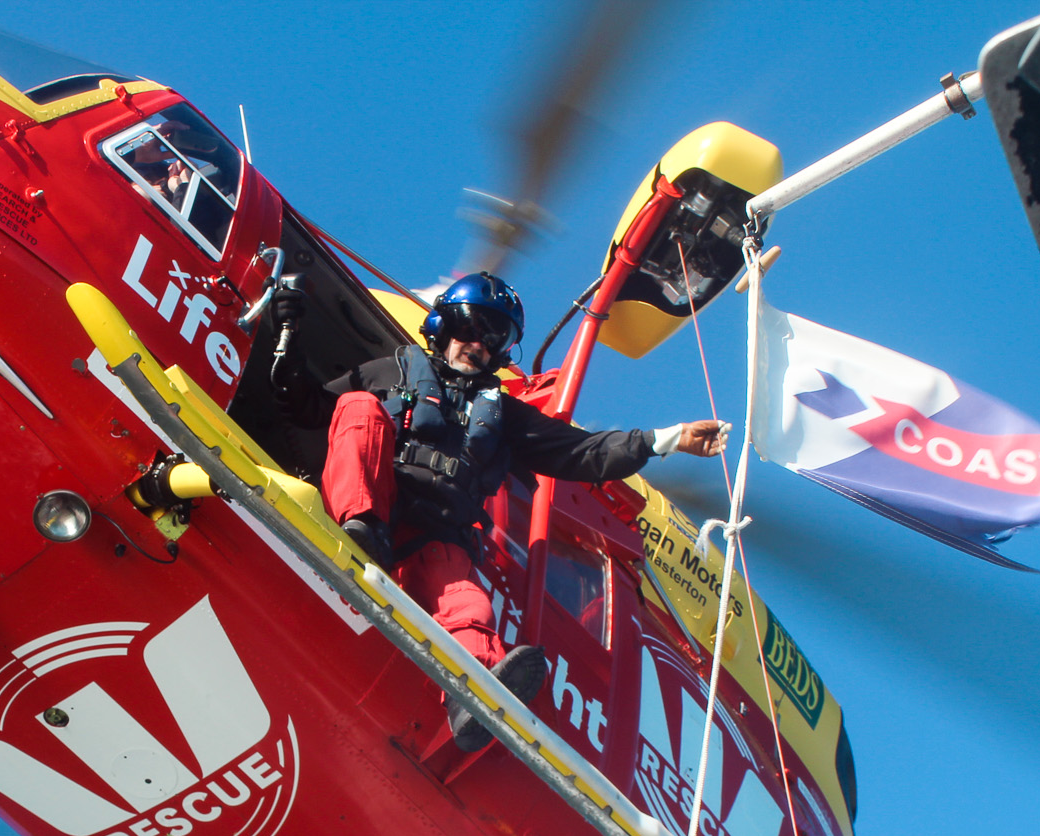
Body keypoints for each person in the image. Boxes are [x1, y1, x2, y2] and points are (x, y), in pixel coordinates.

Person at [284, 271, 726, 750]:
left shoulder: (506, 416)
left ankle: (475, 696)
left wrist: (667, 438)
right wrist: (286, 331)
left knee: (469, 604)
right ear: (444, 326)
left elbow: (584, 452)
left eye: (493, 338)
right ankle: (358, 530)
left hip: (437, 533)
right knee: (358, 407)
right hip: (376, 505)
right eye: (471, 328)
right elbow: (311, 409)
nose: (479, 344)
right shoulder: (390, 372)